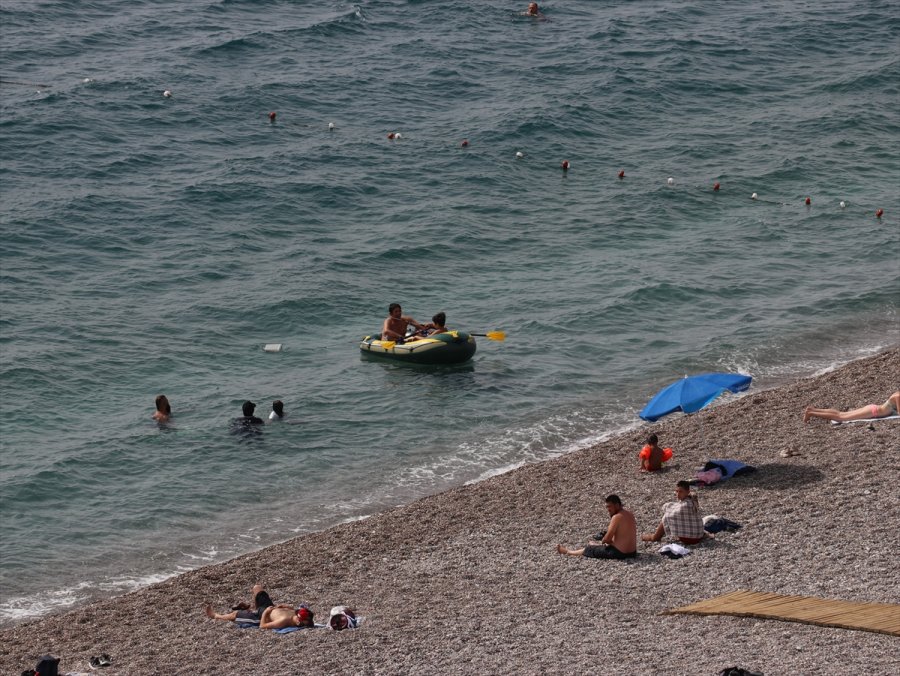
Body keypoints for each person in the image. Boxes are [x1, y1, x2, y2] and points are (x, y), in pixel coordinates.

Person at [557, 494, 638, 560]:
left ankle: (568, 552)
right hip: (632, 553)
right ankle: (596, 545)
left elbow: (607, 539)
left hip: (620, 554)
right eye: (607, 508)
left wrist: (602, 541)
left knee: (589, 549)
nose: (608, 510)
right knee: (599, 545)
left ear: (617, 505)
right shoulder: (630, 514)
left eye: (610, 508)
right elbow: (623, 536)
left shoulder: (616, 517)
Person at [204, 584, 314, 630]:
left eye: (301, 623)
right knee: (257, 587)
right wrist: (286, 606)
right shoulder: (295, 613)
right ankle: (252, 607)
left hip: (261, 615)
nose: (298, 622)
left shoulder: (283, 621)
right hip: (270, 607)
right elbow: (296, 610)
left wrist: (265, 613)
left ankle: (216, 616)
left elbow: (262, 626)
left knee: (234, 615)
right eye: (300, 619)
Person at [642, 480, 706, 545]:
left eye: (681, 491)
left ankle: (655, 537)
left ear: (688, 492)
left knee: (667, 516)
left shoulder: (686, 505)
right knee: (671, 513)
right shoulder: (692, 501)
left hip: (691, 538)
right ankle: (656, 536)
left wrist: (667, 509)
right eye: (677, 491)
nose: (678, 494)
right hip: (699, 535)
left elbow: (671, 514)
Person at [803, 391, 899, 423]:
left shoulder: (898, 393)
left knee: (841, 413)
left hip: (873, 408)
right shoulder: (898, 396)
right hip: (874, 411)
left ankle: (812, 409)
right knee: (840, 417)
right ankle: (811, 413)